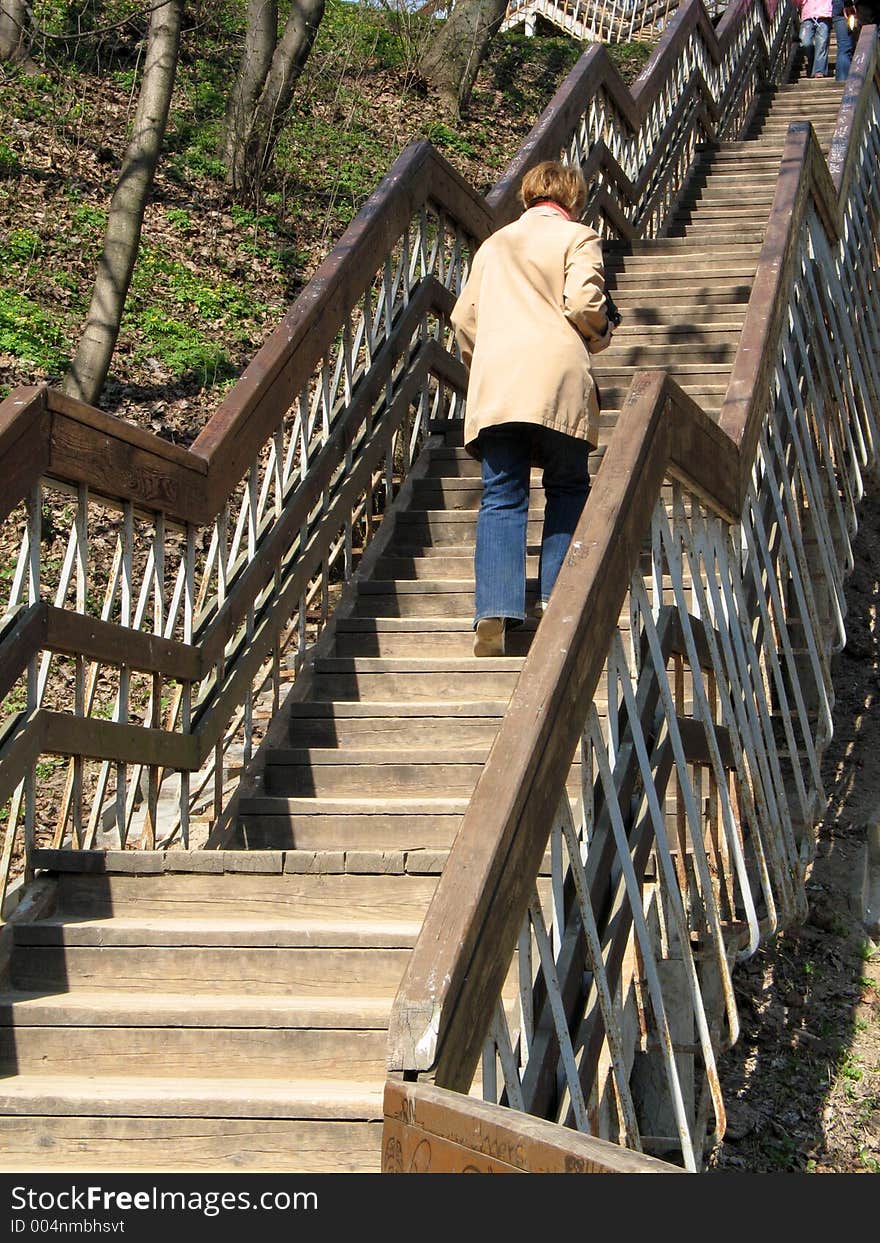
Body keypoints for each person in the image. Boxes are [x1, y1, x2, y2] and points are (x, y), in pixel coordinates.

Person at [450, 159, 614, 658]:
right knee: (566, 485)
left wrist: (489, 361)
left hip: (499, 383)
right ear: (573, 198)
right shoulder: (578, 237)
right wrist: (602, 332)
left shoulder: (495, 244)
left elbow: (463, 320)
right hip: (557, 377)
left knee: (502, 495)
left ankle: (494, 613)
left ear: (528, 196)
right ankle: (554, 601)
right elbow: (584, 303)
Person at [798, 0, 833, 77]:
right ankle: (813, 62)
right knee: (805, 43)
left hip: (824, 14)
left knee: (822, 44)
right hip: (808, 14)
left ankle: (819, 70)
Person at [833, 0, 856, 79]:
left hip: (838, 6)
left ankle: (842, 79)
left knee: (844, 48)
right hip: (849, 7)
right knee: (846, 48)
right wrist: (848, 4)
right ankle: (843, 80)